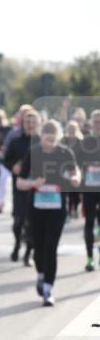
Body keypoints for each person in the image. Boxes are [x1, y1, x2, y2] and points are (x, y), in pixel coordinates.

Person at [16, 120, 81, 306]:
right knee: (38, 247)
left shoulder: (64, 153)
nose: (49, 144)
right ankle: (41, 274)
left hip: (57, 208)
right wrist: (32, 184)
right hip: (36, 208)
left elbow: (75, 172)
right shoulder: (33, 152)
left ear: (58, 138)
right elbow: (19, 182)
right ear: (41, 136)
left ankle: (48, 289)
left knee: (51, 247)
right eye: (46, 139)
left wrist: (76, 178)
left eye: (53, 140)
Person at [3, 109, 40, 265]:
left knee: (32, 222)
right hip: (19, 186)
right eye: (27, 122)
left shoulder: (42, 142)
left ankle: (28, 253)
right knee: (18, 221)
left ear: (38, 124)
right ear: (23, 123)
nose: (30, 125)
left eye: (33, 122)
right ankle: (17, 244)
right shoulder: (16, 141)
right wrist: (14, 166)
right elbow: (6, 160)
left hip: (38, 188)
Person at [76, 109, 100, 271]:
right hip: (89, 189)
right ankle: (90, 257)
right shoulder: (85, 142)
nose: (98, 125)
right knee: (89, 223)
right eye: (96, 122)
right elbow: (75, 164)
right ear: (91, 124)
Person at [0, 109, 12, 214]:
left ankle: (3, 202)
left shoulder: (9, 129)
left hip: (9, 159)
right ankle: (0, 202)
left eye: (0, 117)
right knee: (0, 182)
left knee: (5, 182)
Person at [63, 120, 84, 219]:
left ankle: (74, 207)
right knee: (68, 190)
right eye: (70, 128)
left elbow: (84, 156)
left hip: (78, 168)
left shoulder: (81, 141)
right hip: (66, 168)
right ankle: (68, 209)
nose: (71, 130)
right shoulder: (63, 140)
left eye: (73, 129)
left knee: (76, 190)